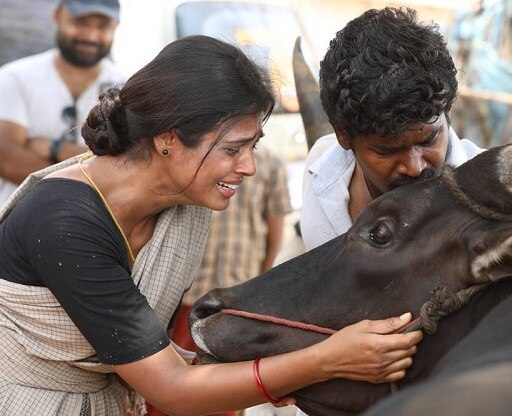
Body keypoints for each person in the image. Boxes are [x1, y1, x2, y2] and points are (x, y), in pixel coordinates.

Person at [0, 35, 422, 416]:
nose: (250, 167)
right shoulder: (66, 222)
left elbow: (157, 360)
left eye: (253, 147)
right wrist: (326, 360)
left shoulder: (184, 206)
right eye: (233, 149)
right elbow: (171, 388)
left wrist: (274, 370)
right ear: (168, 139)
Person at [300, 7, 484, 250]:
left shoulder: (489, 201)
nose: (414, 167)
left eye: (428, 140)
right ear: (343, 136)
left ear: (447, 115)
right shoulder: (320, 170)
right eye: (387, 151)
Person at [154, 146, 292, 416]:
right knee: (169, 383)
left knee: (225, 394)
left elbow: (275, 230)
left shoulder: (270, 165)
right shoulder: (198, 158)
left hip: (237, 296)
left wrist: (257, 286)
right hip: (189, 294)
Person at [0, 0, 126, 206]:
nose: (91, 36)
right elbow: (7, 160)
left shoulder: (125, 88)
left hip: (88, 224)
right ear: (58, 16)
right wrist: (95, 170)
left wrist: (54, 148)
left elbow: (126, 164)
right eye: (80, 22)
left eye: (102, 26)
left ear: (115, 27)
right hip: (15, 220)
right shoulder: (14, 78)